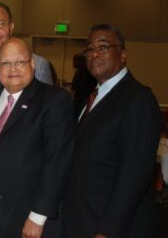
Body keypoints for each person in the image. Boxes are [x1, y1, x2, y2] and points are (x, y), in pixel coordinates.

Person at [62, 24, 162, 238]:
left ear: (123, 54)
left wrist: (108, 230)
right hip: (83, 219)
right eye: (89, 48)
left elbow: (134, 175)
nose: (94, 53)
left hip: (111, 226)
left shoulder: (138, 99)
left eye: (103, 47)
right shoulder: (93, 96)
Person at [0, 37, 75, 238]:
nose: (13, 69)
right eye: (6, 63)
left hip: (33, 222)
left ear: (32, 64)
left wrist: (38, 216)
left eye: (20, 62)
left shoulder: (54, 100)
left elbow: (57, 162)